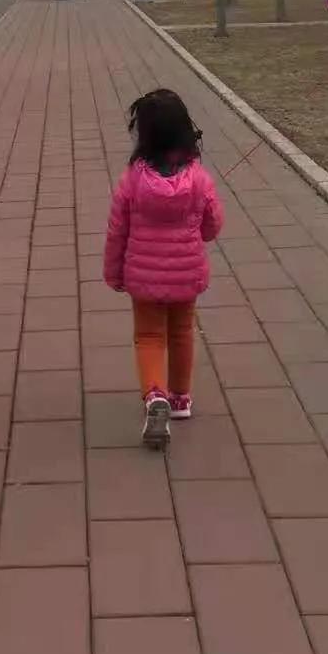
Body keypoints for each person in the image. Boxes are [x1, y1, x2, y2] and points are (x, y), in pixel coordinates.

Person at [103, 88, 224, 447]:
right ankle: (180, 398)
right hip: (186, 275)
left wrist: (114, 272)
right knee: (182, 332)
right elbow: (213, 227)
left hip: (143, 276)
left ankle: (154, 395)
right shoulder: (199, 179)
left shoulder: (132, 180)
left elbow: (116, 231)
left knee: (149, 336)